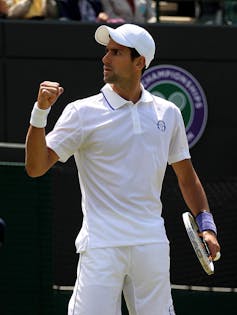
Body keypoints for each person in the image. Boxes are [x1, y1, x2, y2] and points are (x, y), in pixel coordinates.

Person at [25, 23, 221, 315]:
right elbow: (36, 167)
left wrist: (207, 226)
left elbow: (186, 176)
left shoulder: (168, 113)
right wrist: (40, 112)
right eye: (106, 51)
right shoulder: (81, 112)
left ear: (139, 61)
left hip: (151, 245)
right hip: (102, 247)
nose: (105, 59)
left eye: (115, 52)